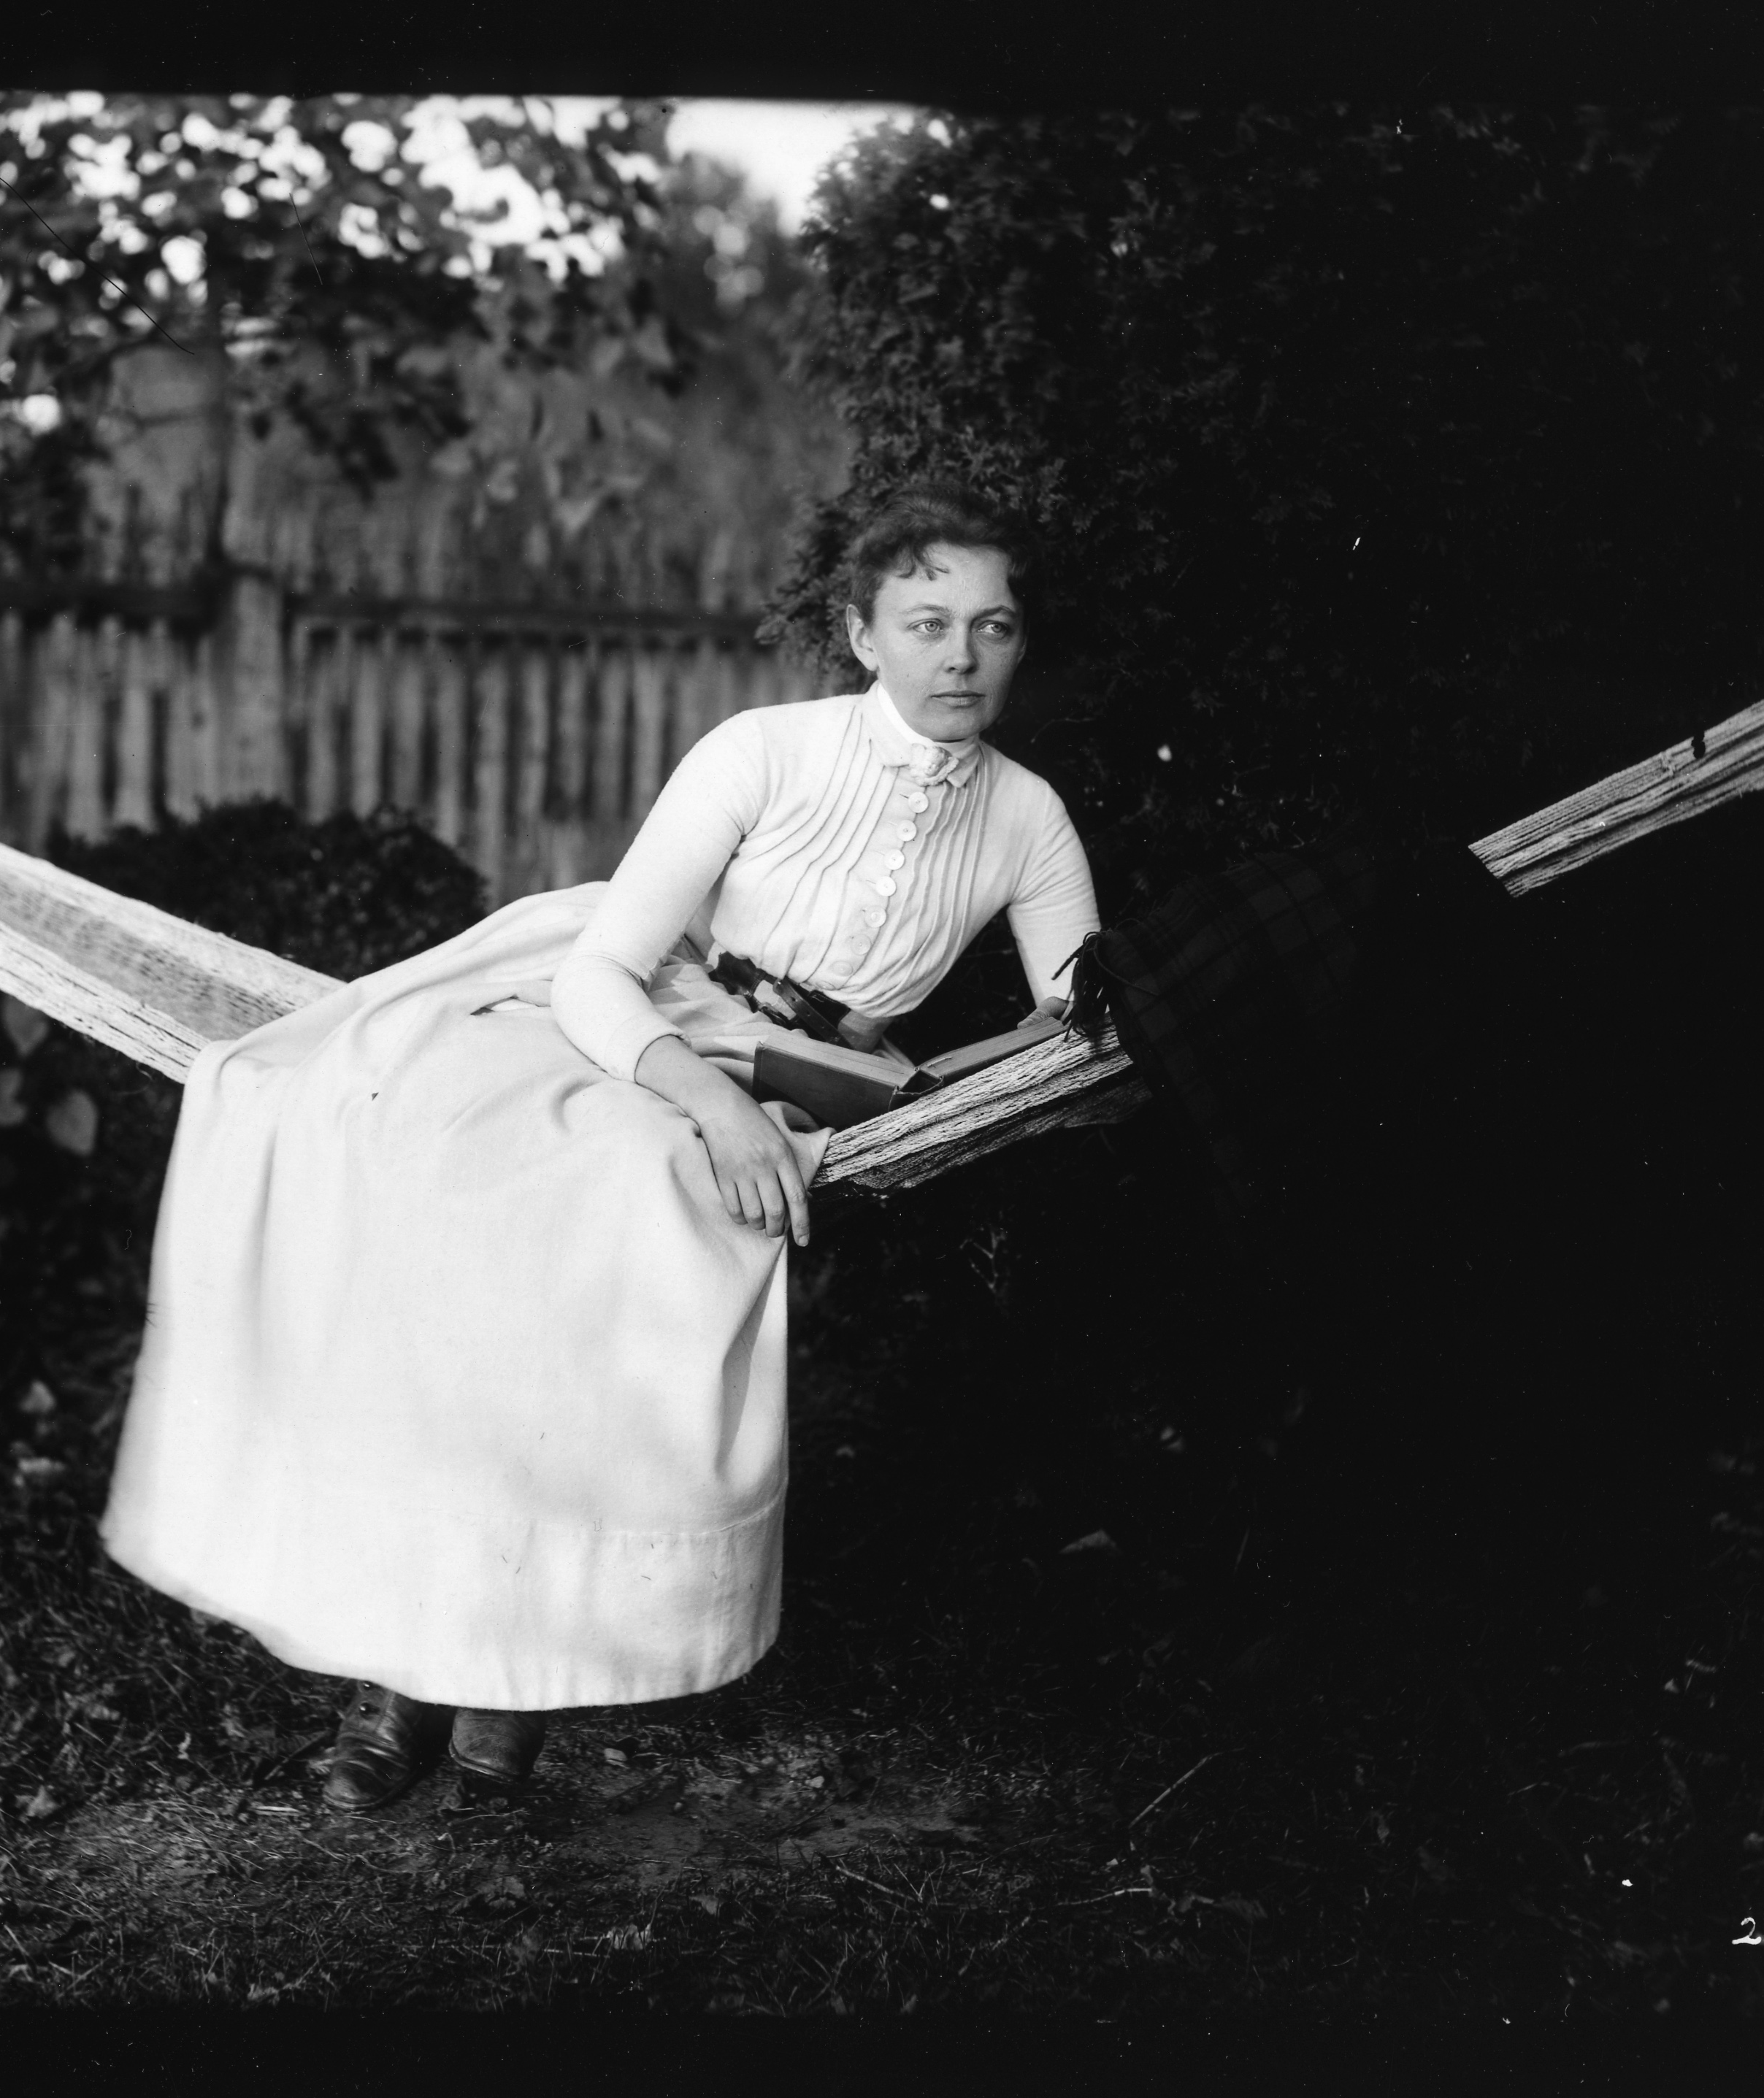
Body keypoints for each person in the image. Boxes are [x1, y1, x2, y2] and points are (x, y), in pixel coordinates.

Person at [101, 481, 1100, 1810]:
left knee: (635, 1209)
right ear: (864, 635)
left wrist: (929, 1085)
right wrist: (719, 1101)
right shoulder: (761, 748)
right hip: (629, 1012)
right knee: (436, 1163)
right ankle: (400, 1680)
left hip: (819, 1076)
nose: (961, 656)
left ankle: (511, 1694)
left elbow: (1076, 1010)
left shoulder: (1027, 815)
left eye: (992, 627)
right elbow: (600, 974)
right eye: (927, 624)